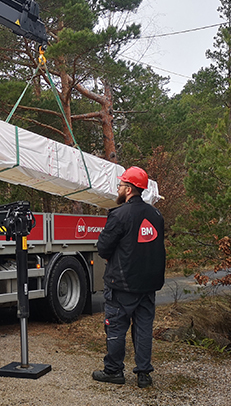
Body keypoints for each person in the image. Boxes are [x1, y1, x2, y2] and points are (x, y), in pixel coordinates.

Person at [92, 166, 165, 389]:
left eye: (121, 185)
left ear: (129, 189)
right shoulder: (156, 215)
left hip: (122, 285)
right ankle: (144, 374)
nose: (118, 188)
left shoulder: (119, 215)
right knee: (143, 329)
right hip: (148, 285)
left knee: (116, 328)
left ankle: (114, 371)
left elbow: (103, 248)